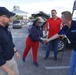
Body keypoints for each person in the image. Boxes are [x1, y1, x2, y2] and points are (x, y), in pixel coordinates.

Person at [45, 11, 76, 75]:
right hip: (75, 50)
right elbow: (57, 34)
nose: (60, 19)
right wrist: (48, 40)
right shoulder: (65, 28)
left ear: (66, 18)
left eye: (62, 17)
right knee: (72, 66)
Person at [0, 7, 20, 75]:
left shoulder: (6, 29)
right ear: (0, 18)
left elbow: (10, 42)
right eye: (8, 17)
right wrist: (8, 71)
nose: (11, 19)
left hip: (12, 60)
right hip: (3, 65)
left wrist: (15, 51)